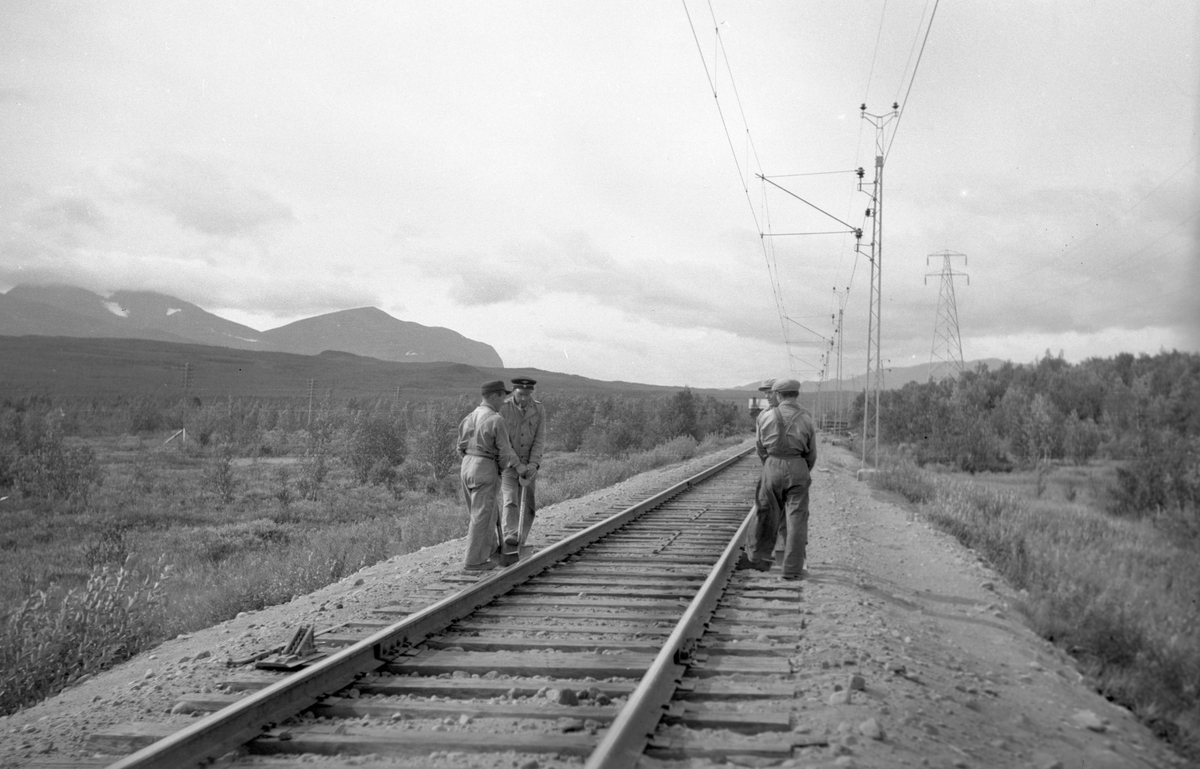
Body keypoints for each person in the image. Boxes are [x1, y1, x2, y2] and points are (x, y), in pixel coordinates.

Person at [740, 377, 818, 580]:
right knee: (797, 518)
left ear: (778, 395)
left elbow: (759, 447)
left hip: (772, 464)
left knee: (765, 511)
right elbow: (812, 453)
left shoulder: (765, 416)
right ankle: (792, 568)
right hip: (798, 466)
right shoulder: (806, 418)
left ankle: (757, 557)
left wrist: (770, 465)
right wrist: (802, 469)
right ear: (796, 394)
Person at [457, 380, 527, 571]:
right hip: (486, 466)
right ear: (495, 396)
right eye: (503, 397)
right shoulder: (496, 420)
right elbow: (505, 452)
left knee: (480, 513)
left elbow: (460, 447)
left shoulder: (468, 418)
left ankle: (492, 552)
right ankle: (473, 561)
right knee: (482, 516)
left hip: (466, 466)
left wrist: (471, 460)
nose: (504, 401)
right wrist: (498, 470)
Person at [500, 377, 546, 547]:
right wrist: (516, 464)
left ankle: (521, 539)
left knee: (528, 504)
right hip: (508, 464)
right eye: (520, 394)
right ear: (514, 392)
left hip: (529, 465)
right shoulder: (504, 409)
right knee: (510, 499)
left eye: (528, 394)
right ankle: (510, 536)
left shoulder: (539, 409)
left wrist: (533, 464)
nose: (524, 398)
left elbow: (539, 439)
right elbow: (503, 441)